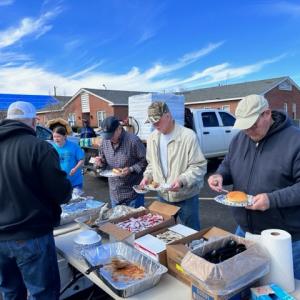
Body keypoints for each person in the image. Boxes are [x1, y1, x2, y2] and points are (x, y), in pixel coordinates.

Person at [207, 94, 300, 279]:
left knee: (286, 289)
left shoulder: (295, 140)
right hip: (245, 230)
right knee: (248, 283)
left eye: (252, 125)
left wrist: (271, 200)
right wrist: (219, 175)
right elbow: (228, 164)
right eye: (244, 126)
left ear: (267, 114)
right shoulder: (240, 139)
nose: (248, 131)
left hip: (285, 237)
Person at [0, 101, 72, 299]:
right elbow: (61, 193)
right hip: (32, 235)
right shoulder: (39, 147)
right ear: (33, 122)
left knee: (10, 292)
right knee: (43, 294)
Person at [139, 102, 207, 230]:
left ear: (168, 116)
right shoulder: (152, 138)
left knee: (191, 233)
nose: (154, 125)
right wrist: (147, 177)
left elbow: (199, 166)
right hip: (163, 195)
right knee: (166, 232)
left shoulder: (188, 136)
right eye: (152, 122)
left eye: (157, 121)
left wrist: (182, 180)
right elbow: (151, 164)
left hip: (186, 196)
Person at [95, 116, 147, 208]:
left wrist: (131, 169)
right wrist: (100, 163)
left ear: (119, 129)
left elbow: (145, 161)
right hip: (114, 194)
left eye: (111, 135)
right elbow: (103, 163)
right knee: (117, 222)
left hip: (133, 195)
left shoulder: (133, 141)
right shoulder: (105, 141)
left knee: (134, 221)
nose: (109, 139)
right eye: (107, 136)